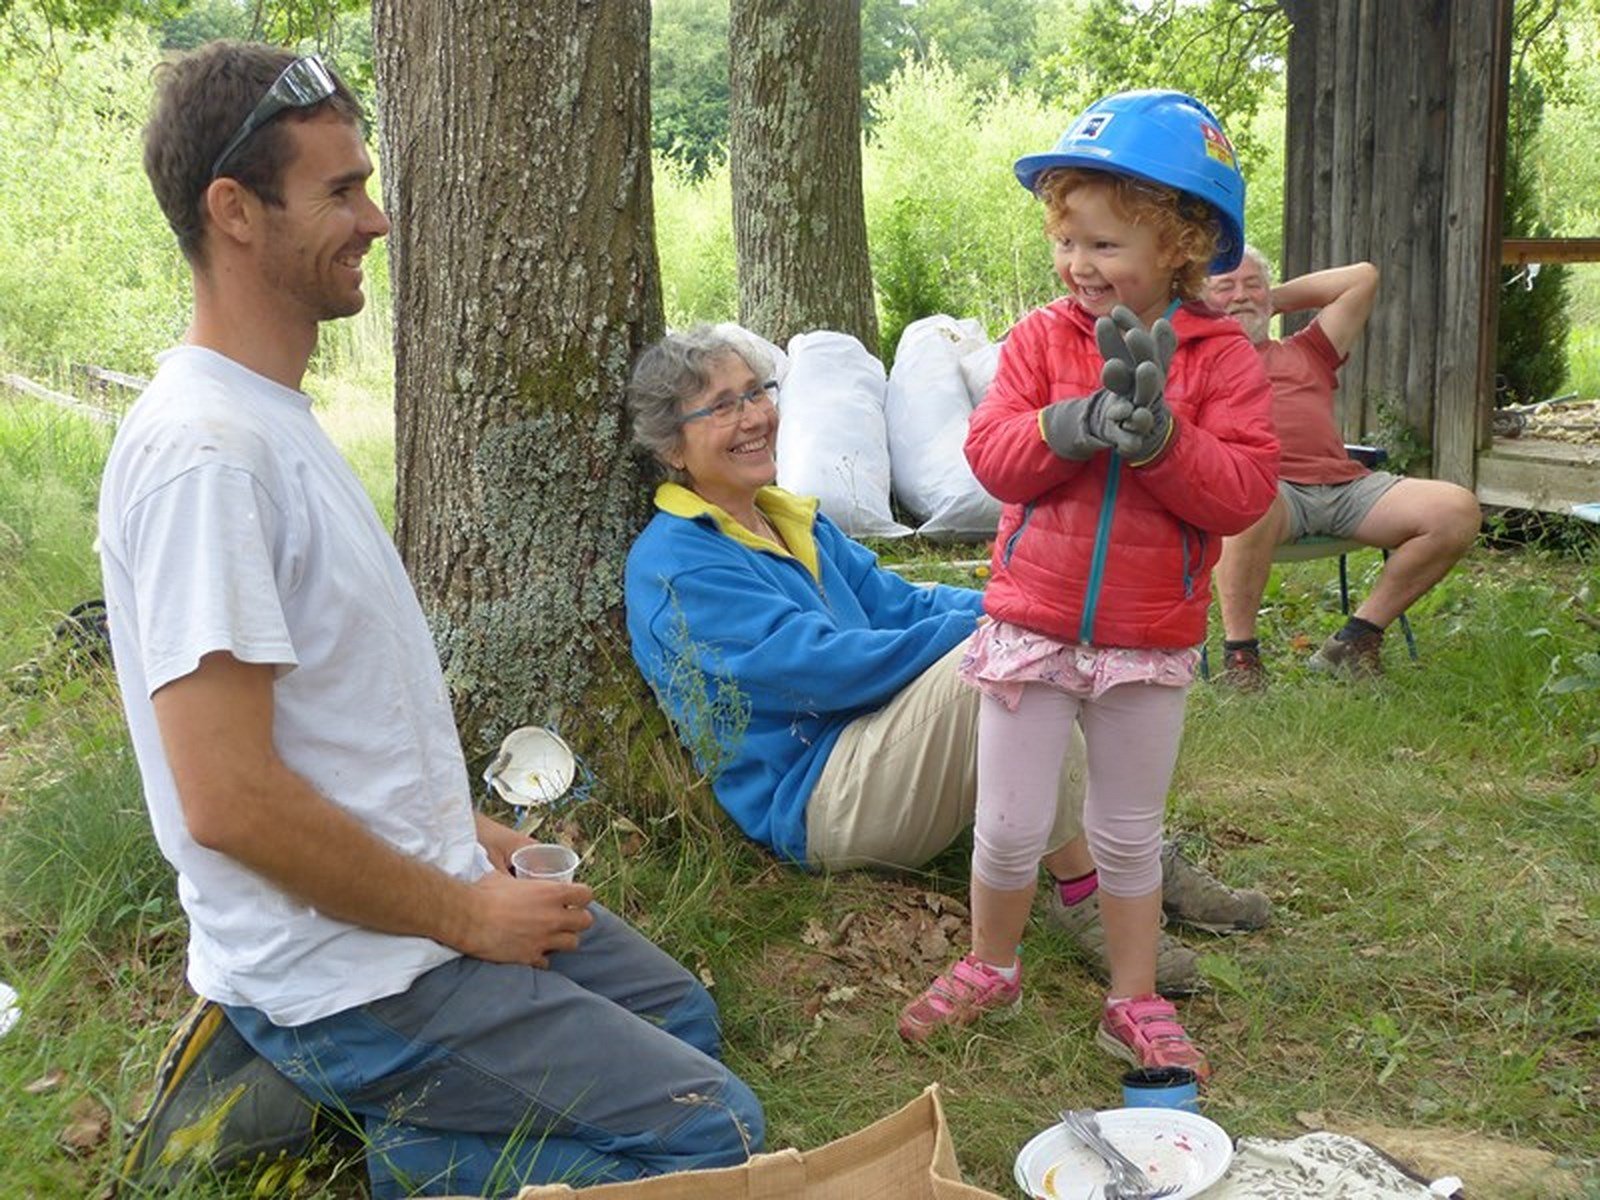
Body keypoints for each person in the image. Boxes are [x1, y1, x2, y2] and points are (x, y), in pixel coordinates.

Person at [100, 42, 761, 1198]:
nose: (379, 219)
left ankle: (390, 1146)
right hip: (348, 973)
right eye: (341, 190)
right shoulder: (204, 454)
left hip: (418, 898)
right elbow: (226, 798)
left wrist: (463, 835)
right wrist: (462, 911)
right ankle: (359, 1126)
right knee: (714, 1132)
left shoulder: (272, 416)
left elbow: (332, 716)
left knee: (681, 1018)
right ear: (233, 211)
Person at [622, 320, 1272, 1005]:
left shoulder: (790, 517)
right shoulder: (677, 561)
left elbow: (898, 602)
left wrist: (1015, 602)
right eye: (722, 406)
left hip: (878, 750)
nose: (754, 417)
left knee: (1031, 641)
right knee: (1005, 663)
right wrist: (1013, 620)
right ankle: (1085, 889)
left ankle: (1133, 859)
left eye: (757, 392)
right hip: (817, 799)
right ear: (671, 447)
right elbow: (818, 669)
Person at [910, 89, 1279, 1077]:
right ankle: (991, 962)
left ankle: (1133, 995)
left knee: (1126, 835)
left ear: (1181, 243)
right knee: (1009, 824)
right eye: (1067, 241)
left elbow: (1242, 492)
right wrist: (1071, 425)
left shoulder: (1224, 358)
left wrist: (1162, 439)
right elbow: (990, 456)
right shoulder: (1039, 341)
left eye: (1106, 245)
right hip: (1032, 621)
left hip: (1145, 636)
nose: (1078, 265)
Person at [1205, 248, 1482, 686]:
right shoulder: (1193, 361)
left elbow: (1362, 278)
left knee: (1456, 509)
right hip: (1270, 492)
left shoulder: (1310, 349)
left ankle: (1354, 640)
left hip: (1343, 486)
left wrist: (1267, 297)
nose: (1242, 295)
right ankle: (1241, 659)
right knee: (1246, 500)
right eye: (1225, 286)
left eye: (1251, 284)